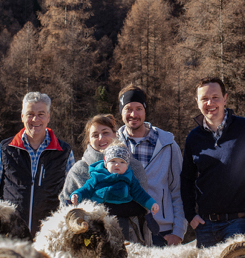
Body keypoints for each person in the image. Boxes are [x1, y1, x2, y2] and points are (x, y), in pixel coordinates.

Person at [181, 76, 245, 248]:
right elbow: (187, 179)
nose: (210, 103)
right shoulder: (193, 138)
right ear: (197, 102)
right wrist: (190, 216)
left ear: (225, 98)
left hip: (239, 223)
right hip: (205, 226)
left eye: (215, 97)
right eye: (204, 99)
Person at [0, 92, 75, 236]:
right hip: (10, 234)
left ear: (48, 117)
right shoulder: (5, 149)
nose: (35, 119)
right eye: (30, 114)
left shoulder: (64, 152)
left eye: (41, 114)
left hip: (50, 236)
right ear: (22, 116)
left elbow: (71, 196)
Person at [60, 114, 152, 243]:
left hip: (130, 239)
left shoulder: (133, 166)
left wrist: (96, 207)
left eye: (105, 133)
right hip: (88, 242)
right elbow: (66, 207)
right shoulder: (78, 170)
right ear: (88, 140)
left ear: (115, 134)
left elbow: (142, 205)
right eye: (95, 135)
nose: (101, 138)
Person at [116, 85, 186, 246]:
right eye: (128, 109)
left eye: (138, 108)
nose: (134, 114)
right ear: (121, 111)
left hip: (162, 232)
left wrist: (178, 232)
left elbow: (178, 190)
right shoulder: (113, 145)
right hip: (126, 230)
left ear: (145, 110)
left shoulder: (167, 144)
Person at [70, 141, 161, 236]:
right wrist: (77, 195)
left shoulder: (129, 178)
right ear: (105, 162)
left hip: (120, 216)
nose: (117, 165)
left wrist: (152, 204)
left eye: (122, 162)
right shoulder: (98, 176)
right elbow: (86, 189)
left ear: (127, 165)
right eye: (113, 161)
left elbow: (140, 194)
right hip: (98, 214)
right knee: (97, 236)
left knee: (120, 237)